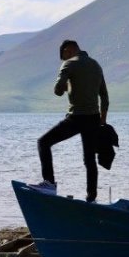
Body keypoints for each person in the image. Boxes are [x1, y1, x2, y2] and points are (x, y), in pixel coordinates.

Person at [32, 39, 109, 199]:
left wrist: (66, 85)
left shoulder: (69, 64)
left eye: (64, 56)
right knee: (89, 160)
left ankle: (49, 184)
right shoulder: (96, 65)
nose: (64, 60)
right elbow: (105, 97)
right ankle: (91, 197)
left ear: (68, 50)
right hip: (94, 119)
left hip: (76, 118)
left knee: (43, 142)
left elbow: (57, 90)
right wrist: (102, 119)